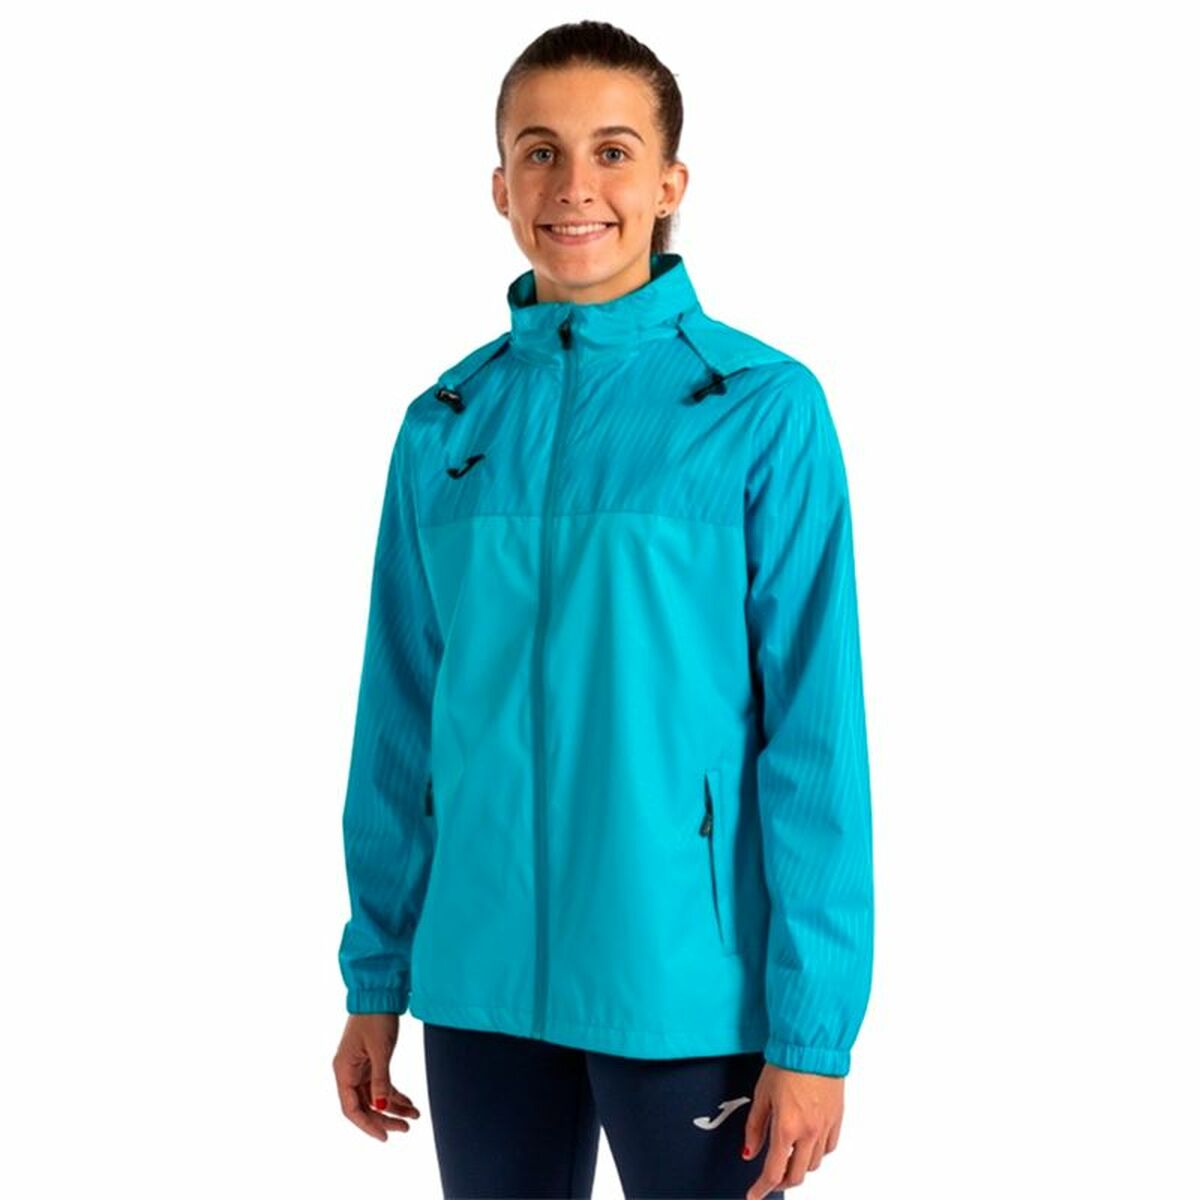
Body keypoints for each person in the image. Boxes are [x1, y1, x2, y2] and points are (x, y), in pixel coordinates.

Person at [331, 20, 874, 1200]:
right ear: (500, 185)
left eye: (613, 152)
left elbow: (815, 743)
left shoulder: (761, 408)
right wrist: (376, 978)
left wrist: (814, 1033)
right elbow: (400, 722)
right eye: (541, 152)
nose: (575, 186)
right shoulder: (444, 425)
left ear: (670, 183)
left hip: (684, 989)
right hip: (479, 986)